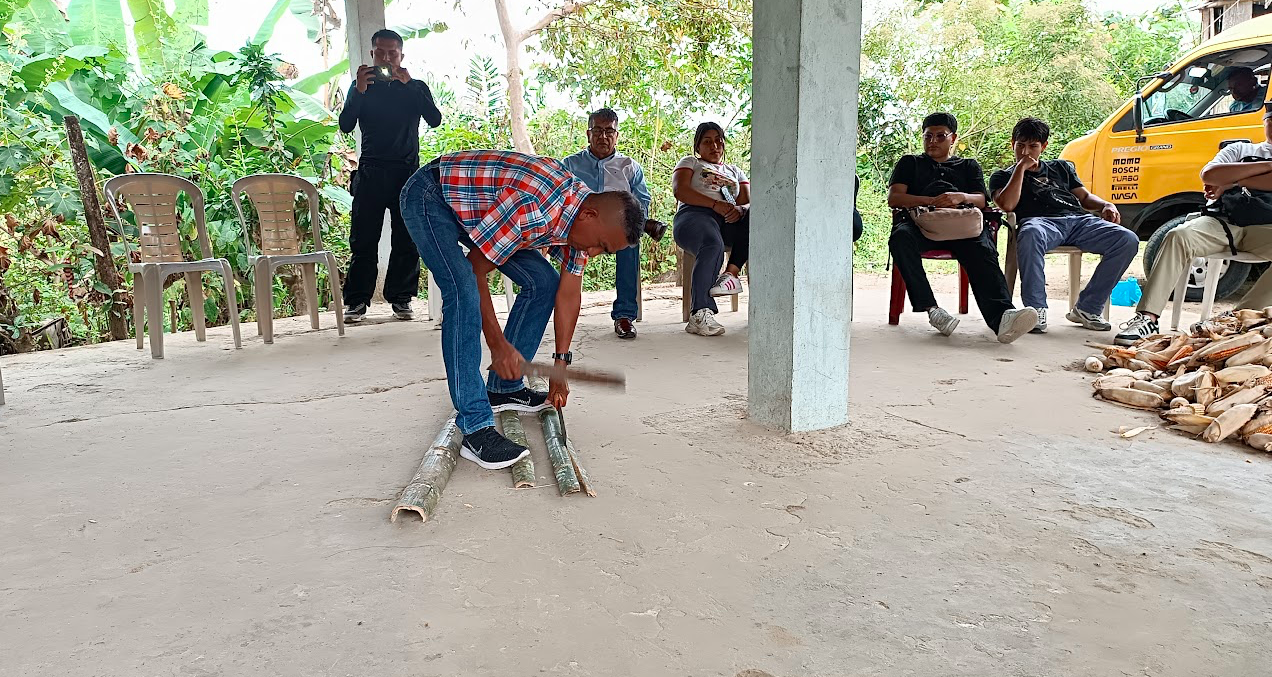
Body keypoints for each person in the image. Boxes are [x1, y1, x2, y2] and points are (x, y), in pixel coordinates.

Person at [399, 150, 643, 470]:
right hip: (433, 195)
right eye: (601, 245)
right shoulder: (534, 209)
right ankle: (475, 426)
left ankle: (503, 388)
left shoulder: (581, 219)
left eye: (604, 251)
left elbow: (568, 294)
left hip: (485, 212)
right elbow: (476, 271)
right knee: (462, 291)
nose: (594, 253)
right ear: (589, 215)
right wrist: (499, 346)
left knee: (545, 283)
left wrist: (560, 366)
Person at [1116, 103, 1272, 345]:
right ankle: (1147, 317)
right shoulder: (1241, 149)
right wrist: (1266, 166)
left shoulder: (1238, 161)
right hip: (1221, 222)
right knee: (1178, 235)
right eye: (1271, 120)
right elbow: (1210, 175)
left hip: (1265, 230)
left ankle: (1237, 319)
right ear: (1264, 122)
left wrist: (1232, 182)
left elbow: (1226, 178)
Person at [887, 112, 1038, 343]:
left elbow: (981, 200)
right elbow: (895, 198)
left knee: (982, 246)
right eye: (928, 136)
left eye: (940, 136)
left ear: (953, 138)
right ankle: (932, 310)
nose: (933, 141)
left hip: (962, 227)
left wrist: (960, 197)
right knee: (900, 238)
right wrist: (932, 201)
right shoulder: (910, 163)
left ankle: (1003, 319)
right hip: (921, 225)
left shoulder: (968, 165)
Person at [990, 117, 1139, 334]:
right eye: (1020, 146)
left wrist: (1106, 204)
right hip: (1040, 223)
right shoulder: (1002, 176)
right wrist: (1020, 169)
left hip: (1078, 220)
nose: (1025, 152)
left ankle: (1088, 308)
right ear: (1012, 144)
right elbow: (1007, 204)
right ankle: (1036, 309)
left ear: (1044, 146)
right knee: (1030, 233)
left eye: (1033, 146)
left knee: (1127, 239)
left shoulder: (1061, 168)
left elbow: (1084, 198)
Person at [338, 29, 442, 323]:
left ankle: (401, 298)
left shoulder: (416, 86)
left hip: (406, 174)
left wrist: (409, 86)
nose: (386, 59)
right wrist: (358, 92)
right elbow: (346, 125)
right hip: (370, 171)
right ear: (372, 54)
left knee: (406, 240)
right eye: (380, 53)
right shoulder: (361, 87)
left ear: (401, 55)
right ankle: (357, 301)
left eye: (392, 53)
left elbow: (434, 119)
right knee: (363, 239)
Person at [562, 108, 653, 340]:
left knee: (630, 244)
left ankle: (624, 315)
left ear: (616, 135)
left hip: (615, 229)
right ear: (588, 134)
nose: (603, 137)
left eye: (609, 132)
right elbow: (561, 199)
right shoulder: (571, 164)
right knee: (564, 243)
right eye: (598, 131)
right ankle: (563, 309)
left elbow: (642, 202)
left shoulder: (629, 166)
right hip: (580, 227)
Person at [672, 122, 750, 336]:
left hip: (728, 220)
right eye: (707, 142)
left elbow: (747, 202)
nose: (714, 146)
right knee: (712, 243)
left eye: (718, 141)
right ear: (698, 146)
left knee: (757, 219)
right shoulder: (690, 162)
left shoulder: (735, 171)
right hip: (694, 215)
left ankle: (730, 274)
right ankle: (700, 313)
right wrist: (714, 204)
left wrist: (740, 210)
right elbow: (681, 190)